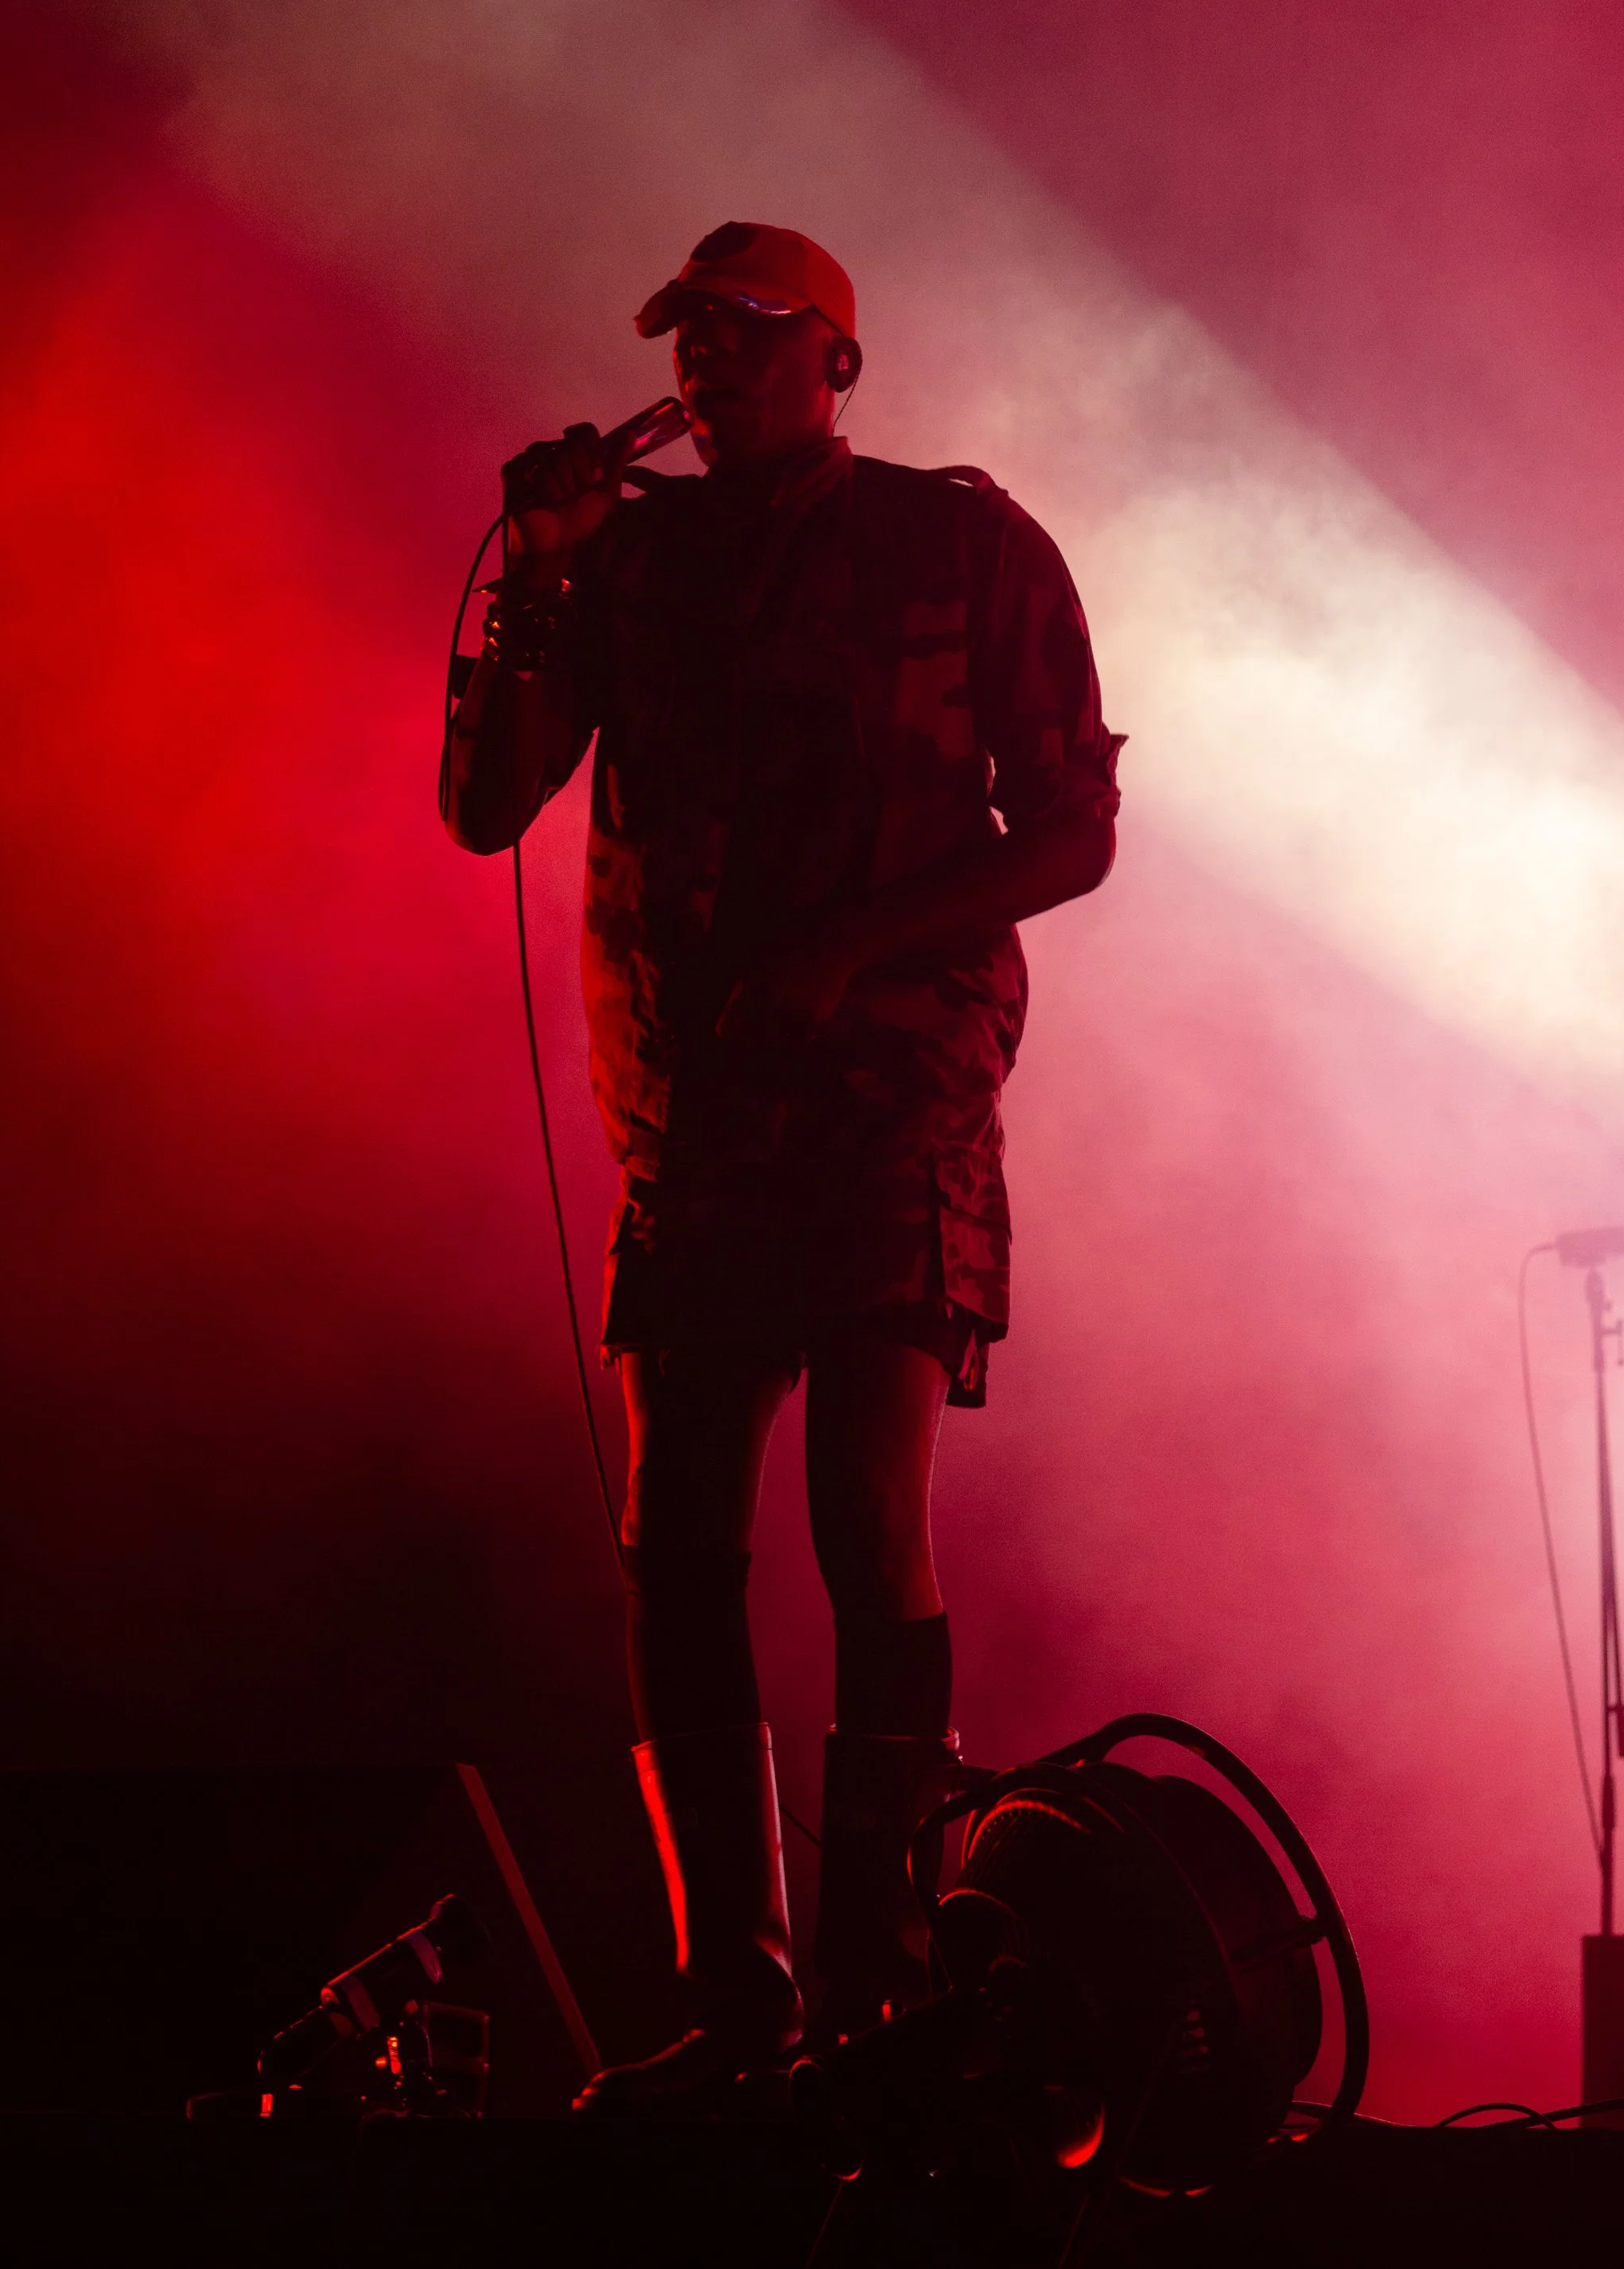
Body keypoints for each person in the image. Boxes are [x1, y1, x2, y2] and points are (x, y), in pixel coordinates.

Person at [444, 221, 1120, 2112]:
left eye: (751, 334)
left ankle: (880, 1998)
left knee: (857, 1516)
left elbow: (1070, 829)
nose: (710, 364)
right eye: (689, 336)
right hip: (687, 1115)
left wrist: (860, 942)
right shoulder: (631, 564)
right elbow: (485, 805)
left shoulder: (960, 544)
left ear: (839, 357)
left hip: (884, 1096)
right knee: (674, 1554)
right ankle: (736, 2005)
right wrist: (534, 593)